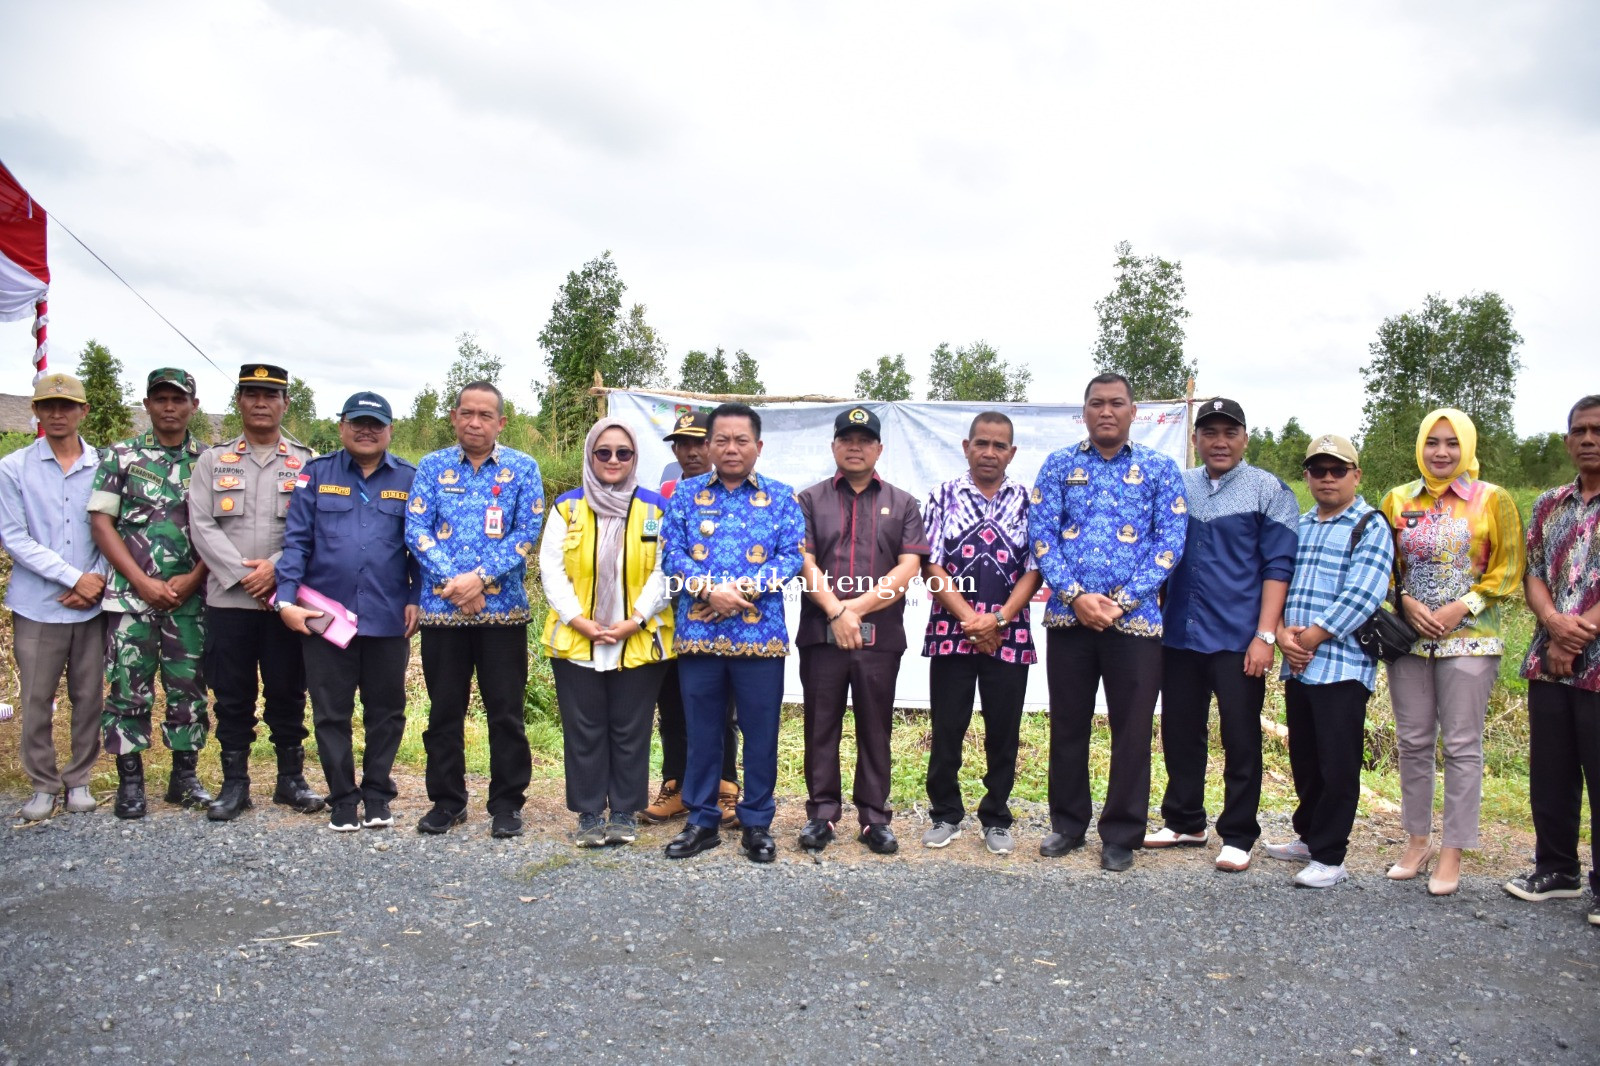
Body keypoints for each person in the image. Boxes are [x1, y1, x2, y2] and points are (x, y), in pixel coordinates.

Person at [1028, 372, 1186, 871]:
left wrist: (1120, 601)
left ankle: (1122, 832)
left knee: (1133, 728)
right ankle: (1068, 825)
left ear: (1133, 411)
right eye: (1097, 403)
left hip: (1135, 623)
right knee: (1069, 724)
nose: (1106, 412)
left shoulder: (1160, 469)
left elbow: (1170, 542)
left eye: (1117, 403)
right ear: (1085, 411)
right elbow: (1041, 537)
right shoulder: (1058, 466)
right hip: (1068, 618)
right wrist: (1076, 598)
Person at [1147, 398, 1298, 872]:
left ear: (1245, 438)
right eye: (1209, 432)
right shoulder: (1178, 485)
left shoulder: (1267, 490)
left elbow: (1278, 567)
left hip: (1239, 641)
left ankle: (1238, 834)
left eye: (1229, 432)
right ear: (1195, 440)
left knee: (1240, 737)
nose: (1219, 441)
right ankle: (1185, 819)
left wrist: (1265, 636)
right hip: (1179, 637)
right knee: (1179, 732)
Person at [1380, 408, 1525, 896]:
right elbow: (1384, 566)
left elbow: (1508, 570)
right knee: (1413, 742)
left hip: (1471, 639)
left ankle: (1453, 850)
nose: (1441, 453)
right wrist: (1404, 600)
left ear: (1467, 447)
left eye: (1451, 443)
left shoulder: (1493, 500)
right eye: (1432, 443)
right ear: (1420, 447)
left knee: (1462, 745)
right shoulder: (1397, 500)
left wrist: (1461, 606)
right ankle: (1417, 840)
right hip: (1409, 639)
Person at [660, 402, 806, 863]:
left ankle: (757, 822)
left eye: (741, 440)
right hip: (699, 638)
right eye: (720, 440)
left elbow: (791, 557)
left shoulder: (783, 498)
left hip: (760, 638)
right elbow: (671, 554)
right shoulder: (684, 496)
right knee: (702, 732)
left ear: (758, 446)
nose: (731, 448)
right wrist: (708, 589)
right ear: (707, 446)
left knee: (761, 732)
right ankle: (701, 820)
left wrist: (742, 589)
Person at [275, 392, 420, 832]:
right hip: (325, 620)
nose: (367, 430)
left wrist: (418, 597)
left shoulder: (411, 479)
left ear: (390, 431)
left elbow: (419, 546)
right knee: (330, 712)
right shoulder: (316, 475)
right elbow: (296, 542)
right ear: (342, 427)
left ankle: (377, 794)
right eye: (358, 422)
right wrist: (284, 601)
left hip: (388, 615)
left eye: (376, 423)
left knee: (387, 711)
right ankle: (342, 797)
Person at [405, 381, 544, 838]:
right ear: (454, 416)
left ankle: (507, 804)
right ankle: (447, 801)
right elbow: (417, 532)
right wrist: (458, 586)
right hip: (445, 613)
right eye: (468, 413)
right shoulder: (431, 468)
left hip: (502, 614)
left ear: (501, 422)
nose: (475, 422)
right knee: (445, 710)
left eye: (486, 415)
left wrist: (480, 580)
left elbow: (526, 535)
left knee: (506, 713)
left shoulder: (523, 469)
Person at [188, 364, 323, 821]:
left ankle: (290, 781)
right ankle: (235, 784)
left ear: (286, 403)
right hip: (230, 599)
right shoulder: (213, 460)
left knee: (289, 690)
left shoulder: (307, 462)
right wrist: (242, 574)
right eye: (251, 394)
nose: (261, 402)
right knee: (232, 693)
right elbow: (201, 524)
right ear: (239, 401)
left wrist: (278, 569)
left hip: (286, 600)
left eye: (271, 394)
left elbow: (317, 527)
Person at [796, 406, 929, 855]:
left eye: (865, 439)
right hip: (821, 634)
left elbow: (910, 565)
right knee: (820, 726)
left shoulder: (903, 502)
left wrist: (856, 608)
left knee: (876, 728)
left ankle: (874, 818)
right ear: (834, 445)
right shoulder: (809, 500)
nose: (856, 446)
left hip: (880, 637)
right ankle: (822, 815)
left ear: (879, 448)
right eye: (847, 438)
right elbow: (803, 561)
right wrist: (836, 612)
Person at [1264, 434, 1394, 888]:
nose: (1327, 478)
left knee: (1338, 761)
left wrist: (1312, 636)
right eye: (1318, 470)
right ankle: (1308, 836)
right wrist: (1280, 633)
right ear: (1307, 476)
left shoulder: (1370, 524)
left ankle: (1331, 854)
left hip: (1343, 664)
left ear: (1355, 475)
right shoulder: (1299, 525)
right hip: (1298, 663)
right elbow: (1277, 581)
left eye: (1337, 470)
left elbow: (1365, 592)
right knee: (1305, 755)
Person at [540, 417, 673, 846]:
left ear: (635, 458)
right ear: (590, 456)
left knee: (630, 728)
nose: (613, 460)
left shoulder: (655, 509)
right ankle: (589, 813)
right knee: (584, 728)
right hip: (577, 636)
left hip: (637, 635)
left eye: (624, 453)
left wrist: (634, 619)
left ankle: (624, 812)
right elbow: (551, 569)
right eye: (604, 452)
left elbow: (665, 571)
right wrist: (578, 620)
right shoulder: (568, 508)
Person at [90, 368, 212, 819]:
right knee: (127, 689)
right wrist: (140, 581)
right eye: (160, 399)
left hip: (191, 597)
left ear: (193, 406)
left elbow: (220, 528)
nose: (169, 407)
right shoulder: (120, 456)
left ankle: (184, 778)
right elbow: (102, 522)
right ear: (147, 404)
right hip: (129, 597)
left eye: (178, 399)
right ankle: (131, 783)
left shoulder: (211, 460)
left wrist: (197, 576)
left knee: (189, 689)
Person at [918, 411, 1041, 855]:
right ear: (966, 446)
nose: (989, 452)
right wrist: (972, 619)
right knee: (947, 726)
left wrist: (1001, 619)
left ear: (1012, 452)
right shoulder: (942, 496)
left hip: (1009, 633)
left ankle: (996, 817)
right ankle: (946, 814)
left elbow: (1035, 566)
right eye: (981, 444)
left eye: (999, 445)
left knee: (1003, 730)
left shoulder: (1030, 500)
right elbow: (930, 564)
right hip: (953, 631)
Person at [1504, 395, 1600, 921]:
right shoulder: (1550, 503)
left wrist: (1575, 633)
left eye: (1598, 430)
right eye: (1579, 430)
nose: (1588, 439)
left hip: (1594, 659)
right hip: (1549, 658)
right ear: (1567, 440)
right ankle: (1556, 868)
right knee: (1552, 769)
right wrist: (1554, 626)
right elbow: (1534, 571)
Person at [0, 373, 107, 822]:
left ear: (83, 411)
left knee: (89, 696)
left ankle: (79, 779)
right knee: (37, 700)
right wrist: (72, 578)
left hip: (92, 605)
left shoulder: (105, 465)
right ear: (37, 412)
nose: (57, 414)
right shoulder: (14, 467)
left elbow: (114, 531)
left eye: (67, 406)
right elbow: (14, 538)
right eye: (48, 406)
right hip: (38, 604)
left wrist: (96, 579)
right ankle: (42, 784)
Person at [641, 409, 743, 828]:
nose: (690, 451)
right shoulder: (661, 494)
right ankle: (677, 786)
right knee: (673, 705)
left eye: (699, 442)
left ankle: (726, 789)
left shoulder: (731, 494)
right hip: (667, 618)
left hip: (719, 617)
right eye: (681, 443)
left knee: (722, 711)